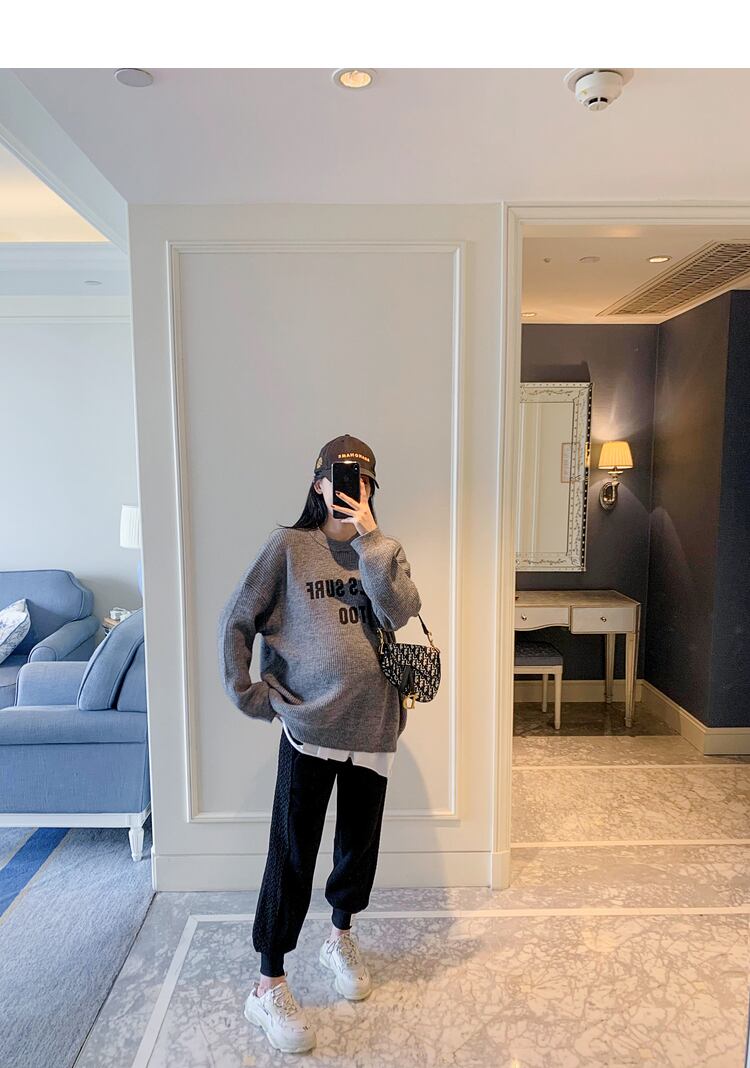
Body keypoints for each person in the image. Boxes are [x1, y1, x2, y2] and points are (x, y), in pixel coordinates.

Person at [217, 433, 422, 1054]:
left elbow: (401, 613)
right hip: (309, 729)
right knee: (293, 853)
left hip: (375, 727)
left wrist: (370, 540)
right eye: (340, 478)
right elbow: (237, 619)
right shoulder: (288, 548)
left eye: (363, 481)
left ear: (372, 489)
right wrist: (248, 693)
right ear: (318, 484)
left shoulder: (381, 551)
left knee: (358, 847)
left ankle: (341, 937)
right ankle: (267, 983)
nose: (350, 490)